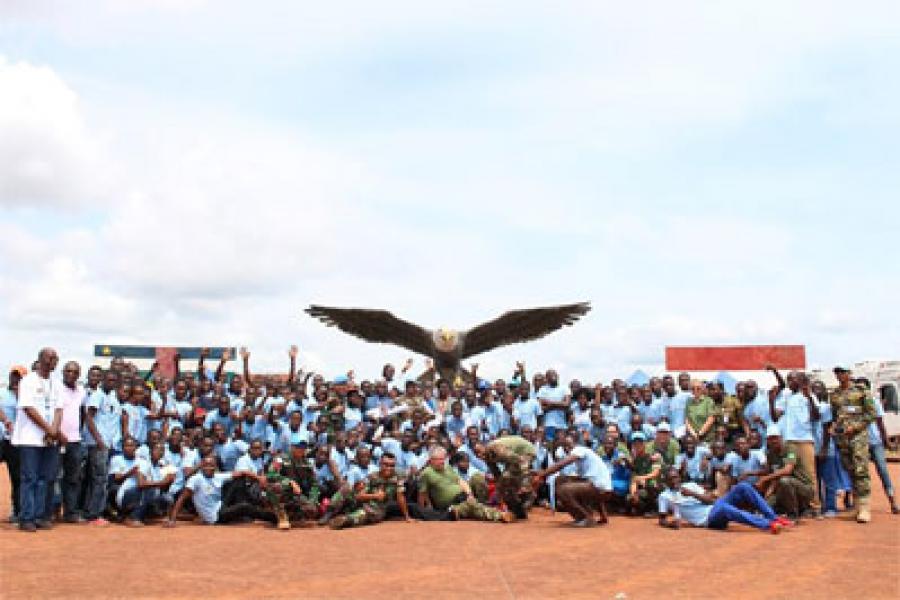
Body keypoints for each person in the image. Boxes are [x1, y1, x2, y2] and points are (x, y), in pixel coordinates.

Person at [12, 348, 64, 532]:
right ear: (40, 359)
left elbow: (59, 409)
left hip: (50, 440)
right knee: (30, 478)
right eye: (51, 358)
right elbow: (28, 408)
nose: (54, 361)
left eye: (56, 358)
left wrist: (54, 431)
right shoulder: (28, 381)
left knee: (46, 479)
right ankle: (27, 517)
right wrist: (49, 429)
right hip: (30, 438)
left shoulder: (57, 384)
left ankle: (41, 515)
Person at [658, 467, 789, 534]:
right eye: (671, 478)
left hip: (715, 505)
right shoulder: (664, 496)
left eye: (677, 477)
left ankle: (773, 517)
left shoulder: (690, 486)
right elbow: (662, 519)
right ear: (666, 481)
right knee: (725, 509)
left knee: (743, 487)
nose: (675, 480)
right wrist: (670, 524)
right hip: (708, 519)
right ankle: (767, 525)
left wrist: (692, 494)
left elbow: (711, 499)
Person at [827, 366, 877, 523]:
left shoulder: (861, 390)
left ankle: (864, 507)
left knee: (860, 469)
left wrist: (854, 427)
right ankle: (856, 506)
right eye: (837, 372)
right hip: (843, 438)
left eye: (843, 372)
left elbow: (871, 414)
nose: (840, 375)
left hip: (858, 437)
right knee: (849, 469)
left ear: (849, 374)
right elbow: (835, 415)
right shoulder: (834, 394)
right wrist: (833, 427)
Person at [165, 456, 274, 527]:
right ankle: (274, 518)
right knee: (244, 507)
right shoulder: (196, 479)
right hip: (215, 517)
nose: (209, 468)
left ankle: (243, 515)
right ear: (201, 466)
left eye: (211, 465)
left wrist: (259, 478)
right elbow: (182, 498)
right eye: (206, 465)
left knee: (238, 480)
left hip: (220, 506)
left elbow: (242, 472)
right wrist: (172, 520)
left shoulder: (217, 476)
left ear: (215, 467)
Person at [770, 367, 821, 516]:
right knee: (790, 474)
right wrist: (771, 401)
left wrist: (810, 398)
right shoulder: (786, 395)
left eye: (793, 379)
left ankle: (814, 506)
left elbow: (816, 416)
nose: (790, 382)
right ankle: (797, 507)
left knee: (809, 474)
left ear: (800, 381)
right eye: (788, 379)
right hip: (789, 441)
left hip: (804, 440)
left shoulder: (808, 395)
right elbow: (775, 417)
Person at [417, 447, 514, 523]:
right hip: (450, 504)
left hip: (463, 497)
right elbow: (422, 493)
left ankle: (490, 509)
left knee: (476, 482)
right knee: (471, 506)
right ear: (431, 460)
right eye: (439, 459)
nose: (442, 461)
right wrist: (425, 510)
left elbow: (460, 481)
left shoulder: (447, 467)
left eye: (443, 458)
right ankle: (499, 515)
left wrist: (469, 494)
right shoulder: (426, 473)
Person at [532, 438, 613, 527]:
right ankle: (588, 515)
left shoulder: (579, 450)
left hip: (599, 489)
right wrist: (603, 515)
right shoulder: (586, 458)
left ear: (576, 443)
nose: (567, 448)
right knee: (560, 480)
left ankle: (585, 518)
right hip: (602, 489)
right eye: (565, 446)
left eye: (569, 445)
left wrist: (542, 475)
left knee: (563, 490)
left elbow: (561, 465)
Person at [328, 452, 413, 529]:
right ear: (380, 464)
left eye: (392, 465)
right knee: (346, 489)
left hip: (377, 509)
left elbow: (400, 497)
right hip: (362, 503)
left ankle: (344, 520)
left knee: (364, 514)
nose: (389, 468)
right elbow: (359, 496)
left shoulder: (398, 477)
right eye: (386, 465)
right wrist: (375, 496)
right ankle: (328, 514)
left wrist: (407, 516)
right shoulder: (372, 477)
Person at [756, 425, 814, 519]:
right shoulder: (770, 454)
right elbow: (773, 475)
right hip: (784, 489)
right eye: (770, 439)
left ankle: (793, 515)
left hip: (804, 488)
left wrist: (765, 479)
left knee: (785, 481)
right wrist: (768, 494)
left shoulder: (791, 449)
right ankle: (794, 509)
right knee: (766, 507)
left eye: (775, 438)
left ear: (781, 438)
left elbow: (787, 470)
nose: (773, 441)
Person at [56, 361, 86, 522]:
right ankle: (51, 512)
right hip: (57, 440)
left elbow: (82, 413)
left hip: (75, 441)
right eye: (68, 371)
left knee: (73, 478)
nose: (71, 374)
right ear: (63, 372)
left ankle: (71, 513)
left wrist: (77, 432)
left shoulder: (81, 391)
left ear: (79, 374)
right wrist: (58, 434)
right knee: (54, 477)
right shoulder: (56, 389)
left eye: (74, 372)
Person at [483, 434, 537, 518]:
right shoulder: (486, 455)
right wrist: (499, 490)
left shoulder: (497, 449)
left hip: (526, 452)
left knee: (508, 478)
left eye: (479, 452)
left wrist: (523, 480)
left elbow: (519, 461)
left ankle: (529, 496)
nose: (478, 455)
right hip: (515, 456)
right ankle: (515, 507)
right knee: (506, 481)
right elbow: (497, 474)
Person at [1, 366, 26, 522]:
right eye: (13, 375)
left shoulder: (25, 397)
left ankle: (17, 511)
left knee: (17, 478)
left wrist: (20, 396)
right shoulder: (1, 393)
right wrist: (5, 420)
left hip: (15, 442)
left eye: (19, 377)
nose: (15, 379)